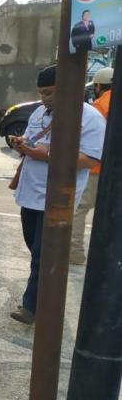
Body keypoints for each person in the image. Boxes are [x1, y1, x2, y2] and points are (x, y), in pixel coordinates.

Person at [9, 66, 105, 323]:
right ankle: (44, 296)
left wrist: (47, 156)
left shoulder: (90, 117)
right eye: (41, 93)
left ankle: (33, 307)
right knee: (35, 248)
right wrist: (21, 144)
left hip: (58, 196)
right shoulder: (40, 113)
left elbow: (90, 158)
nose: (45, 98)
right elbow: (30, 140)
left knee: (45, 252)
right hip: (30, 193)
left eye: (50, 92)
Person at [71, 66, 112, 265]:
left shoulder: (99, 106)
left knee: (80, 208)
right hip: (114, 169)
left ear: (97, 86)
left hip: (95, 167)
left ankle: (74, 253)